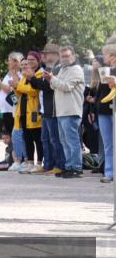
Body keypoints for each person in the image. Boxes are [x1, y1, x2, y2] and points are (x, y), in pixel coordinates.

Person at [45, 45, 85, 178]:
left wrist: (53, 79)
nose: (65, 58)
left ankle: (76, 168)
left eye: (67, 56)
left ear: (73, 56)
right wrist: (51, 80)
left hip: (71, 110)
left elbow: (67, 86)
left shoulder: (76, 69)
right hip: (62, 111)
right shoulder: (62, 69)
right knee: (64, 142)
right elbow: (54, 86)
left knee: (72, 141)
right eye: (62, 56)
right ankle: (69, 166)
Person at [27, 45, 65, 176]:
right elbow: (40, 86)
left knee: (54, 139)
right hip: (45, 109)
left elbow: (48, 87)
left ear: (55, 55)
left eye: (46, 53)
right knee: (45, 139)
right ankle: (48, 164)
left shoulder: (58, 69)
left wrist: (32, 78)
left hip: (53, 109)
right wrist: (31, 78)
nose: (43, 56)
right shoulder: (49, 68)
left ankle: (59, 165)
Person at [0, 52, 24, 169]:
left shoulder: (19, 75)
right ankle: (13, 159)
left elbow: (12, 91)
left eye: (10, 60)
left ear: (16, 62)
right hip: (5, 110)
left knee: (16, 135)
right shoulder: (8, 74)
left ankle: (19, 159)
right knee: (10, 135)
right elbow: (2, 91)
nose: (8, 62)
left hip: (12, 110)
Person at [17, 55, 46, 174]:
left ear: (38, 61)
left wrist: (21, 87)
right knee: (27, 138)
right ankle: (29, 163)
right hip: (24, 111)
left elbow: (33, 91)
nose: (29, 62)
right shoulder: (25, 74)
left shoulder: (39, 74)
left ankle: (39, 163)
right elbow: (19, 89)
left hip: (34, 111)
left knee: (37, 138)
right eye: (28, 60)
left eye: (32, 60)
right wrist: (21, 87)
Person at [98, 44, 116, 183]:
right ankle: (109, 172)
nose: (103, 57)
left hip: (113, 109)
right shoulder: (104, 70)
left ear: (113, 56)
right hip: (103, 110)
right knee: (107, 144)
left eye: (105, 54)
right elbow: (100, 92)